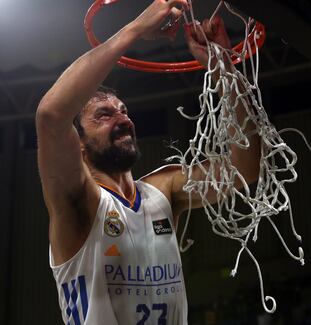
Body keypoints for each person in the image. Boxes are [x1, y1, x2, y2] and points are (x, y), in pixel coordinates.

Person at [36, 0, 260, 324]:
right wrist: (136, 28)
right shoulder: (77, 204)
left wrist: (223, 67)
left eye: (124, 110)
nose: (122, 118)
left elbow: (245, 167)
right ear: (80, 147)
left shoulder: (163, 190)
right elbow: (50, 115)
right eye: (103, 115)